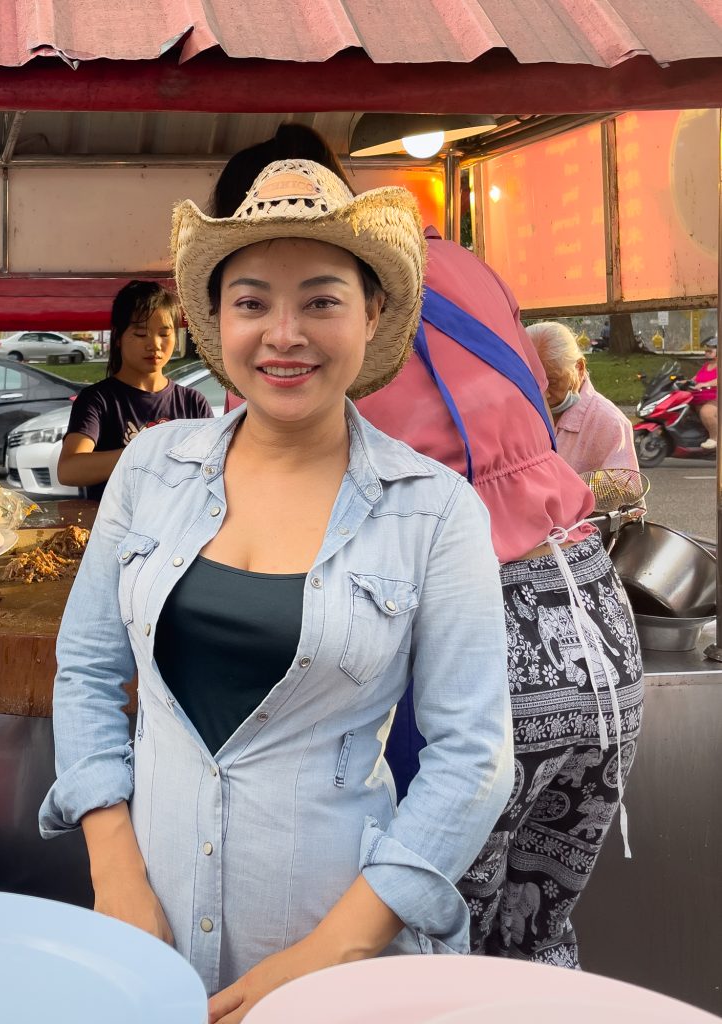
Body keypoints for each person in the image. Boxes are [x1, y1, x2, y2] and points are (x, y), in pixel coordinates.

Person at [40, 160, 513, 1020]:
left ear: (373, 314)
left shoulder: (435, 511)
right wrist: (115, 873)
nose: (283, 334)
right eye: (252, 301)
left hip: (339, 962)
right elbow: (84, 669)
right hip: (153, 939)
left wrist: (336, 949)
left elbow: (472, 755)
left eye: (322, 300)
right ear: (215, 321)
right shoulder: (150, 469)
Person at [213, 125, 643, 971]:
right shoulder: (464, 268)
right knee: (533, 945)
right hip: (594, 630)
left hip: (477, 658)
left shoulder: (321, 337)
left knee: (428, 958)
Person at [57, 280, 213, 500]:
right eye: (141, 334)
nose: (155, 345)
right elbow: (69, 470)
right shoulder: (98, 400)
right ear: (118, 337)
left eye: (164, 334)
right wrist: (145, 452)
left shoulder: (193, 402)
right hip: (115, 530)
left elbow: (212, 469)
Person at [526, 321, 639, 474]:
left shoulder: (610, 423)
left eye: (552, 382)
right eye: (533, 382)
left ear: (579, 368)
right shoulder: (518, 411)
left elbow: (625, 490)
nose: (543, 393)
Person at [690, 336, 717, 450]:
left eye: (710, 351)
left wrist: (706, 384)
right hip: (700, 397)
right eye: (706, 351)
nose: (706, 353)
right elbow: (696, 378)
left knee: (706, 412)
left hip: (715, 398)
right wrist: (684, 382)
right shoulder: (706, 366)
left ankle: (715, 439)